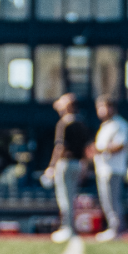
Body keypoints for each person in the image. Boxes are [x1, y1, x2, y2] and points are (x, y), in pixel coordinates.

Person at [46, 93, 90, 242]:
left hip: (66, 163)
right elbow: (86, 148)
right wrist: (84, 166)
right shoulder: (82, 122)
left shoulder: (64, 123)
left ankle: (68, 228)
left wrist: (51, 166)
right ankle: (69, 228)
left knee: (65, 198)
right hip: (78, 164)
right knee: (71, 197)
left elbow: (60, 147)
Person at [89, 94, 128, 241]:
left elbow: (119, 145)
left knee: (113, 200)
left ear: (111, 107)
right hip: (102, 169)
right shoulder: (105, 126)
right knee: (106, 200)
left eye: (103, 107)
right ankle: (112, 228)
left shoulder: (120, 124)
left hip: (113, 169)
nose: (100, 111)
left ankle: (116, 229)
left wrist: (100, 150)